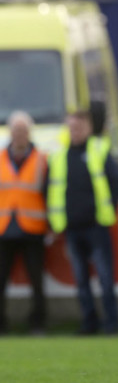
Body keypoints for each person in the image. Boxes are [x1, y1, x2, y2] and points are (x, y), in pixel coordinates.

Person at [46, 109, 118, 335]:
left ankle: (111, 324)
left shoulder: (99, 149)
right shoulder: (59, 154)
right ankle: (89, 324)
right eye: (71, 127)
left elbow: (115, 185)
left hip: (96, 226)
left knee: (105, 278)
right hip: (71, 228)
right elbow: (49, 189)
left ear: (88, 128)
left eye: (78, 127)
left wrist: (108, 211)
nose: (74, 131)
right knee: (81, 280)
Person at [0, 111, 48, 334]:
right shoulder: (0, 157)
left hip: (32, 228)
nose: (19, 135)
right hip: (4, 228)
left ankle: (37, 323)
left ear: (29, 133)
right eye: (16, 130)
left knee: (37, 281)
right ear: (11, 132)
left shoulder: (42, 159)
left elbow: (50, 193)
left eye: (23, 130)